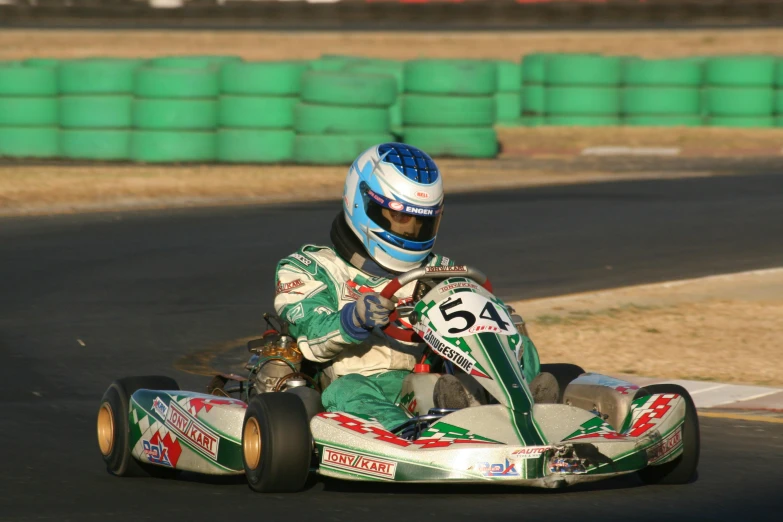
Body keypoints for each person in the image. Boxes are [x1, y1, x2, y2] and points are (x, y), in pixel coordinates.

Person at [273, 143, 543, 430]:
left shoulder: (443, 272)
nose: (412, 230)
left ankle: (528, 410)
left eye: (422, 221)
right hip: (356, 386)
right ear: (362, 203)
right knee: (349, 389)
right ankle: (409, 436)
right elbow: (309, 336)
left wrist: (503, 326)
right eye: (401, 218)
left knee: (510, 343)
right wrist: (352, 319)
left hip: (434, 384)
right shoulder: (310, 267)